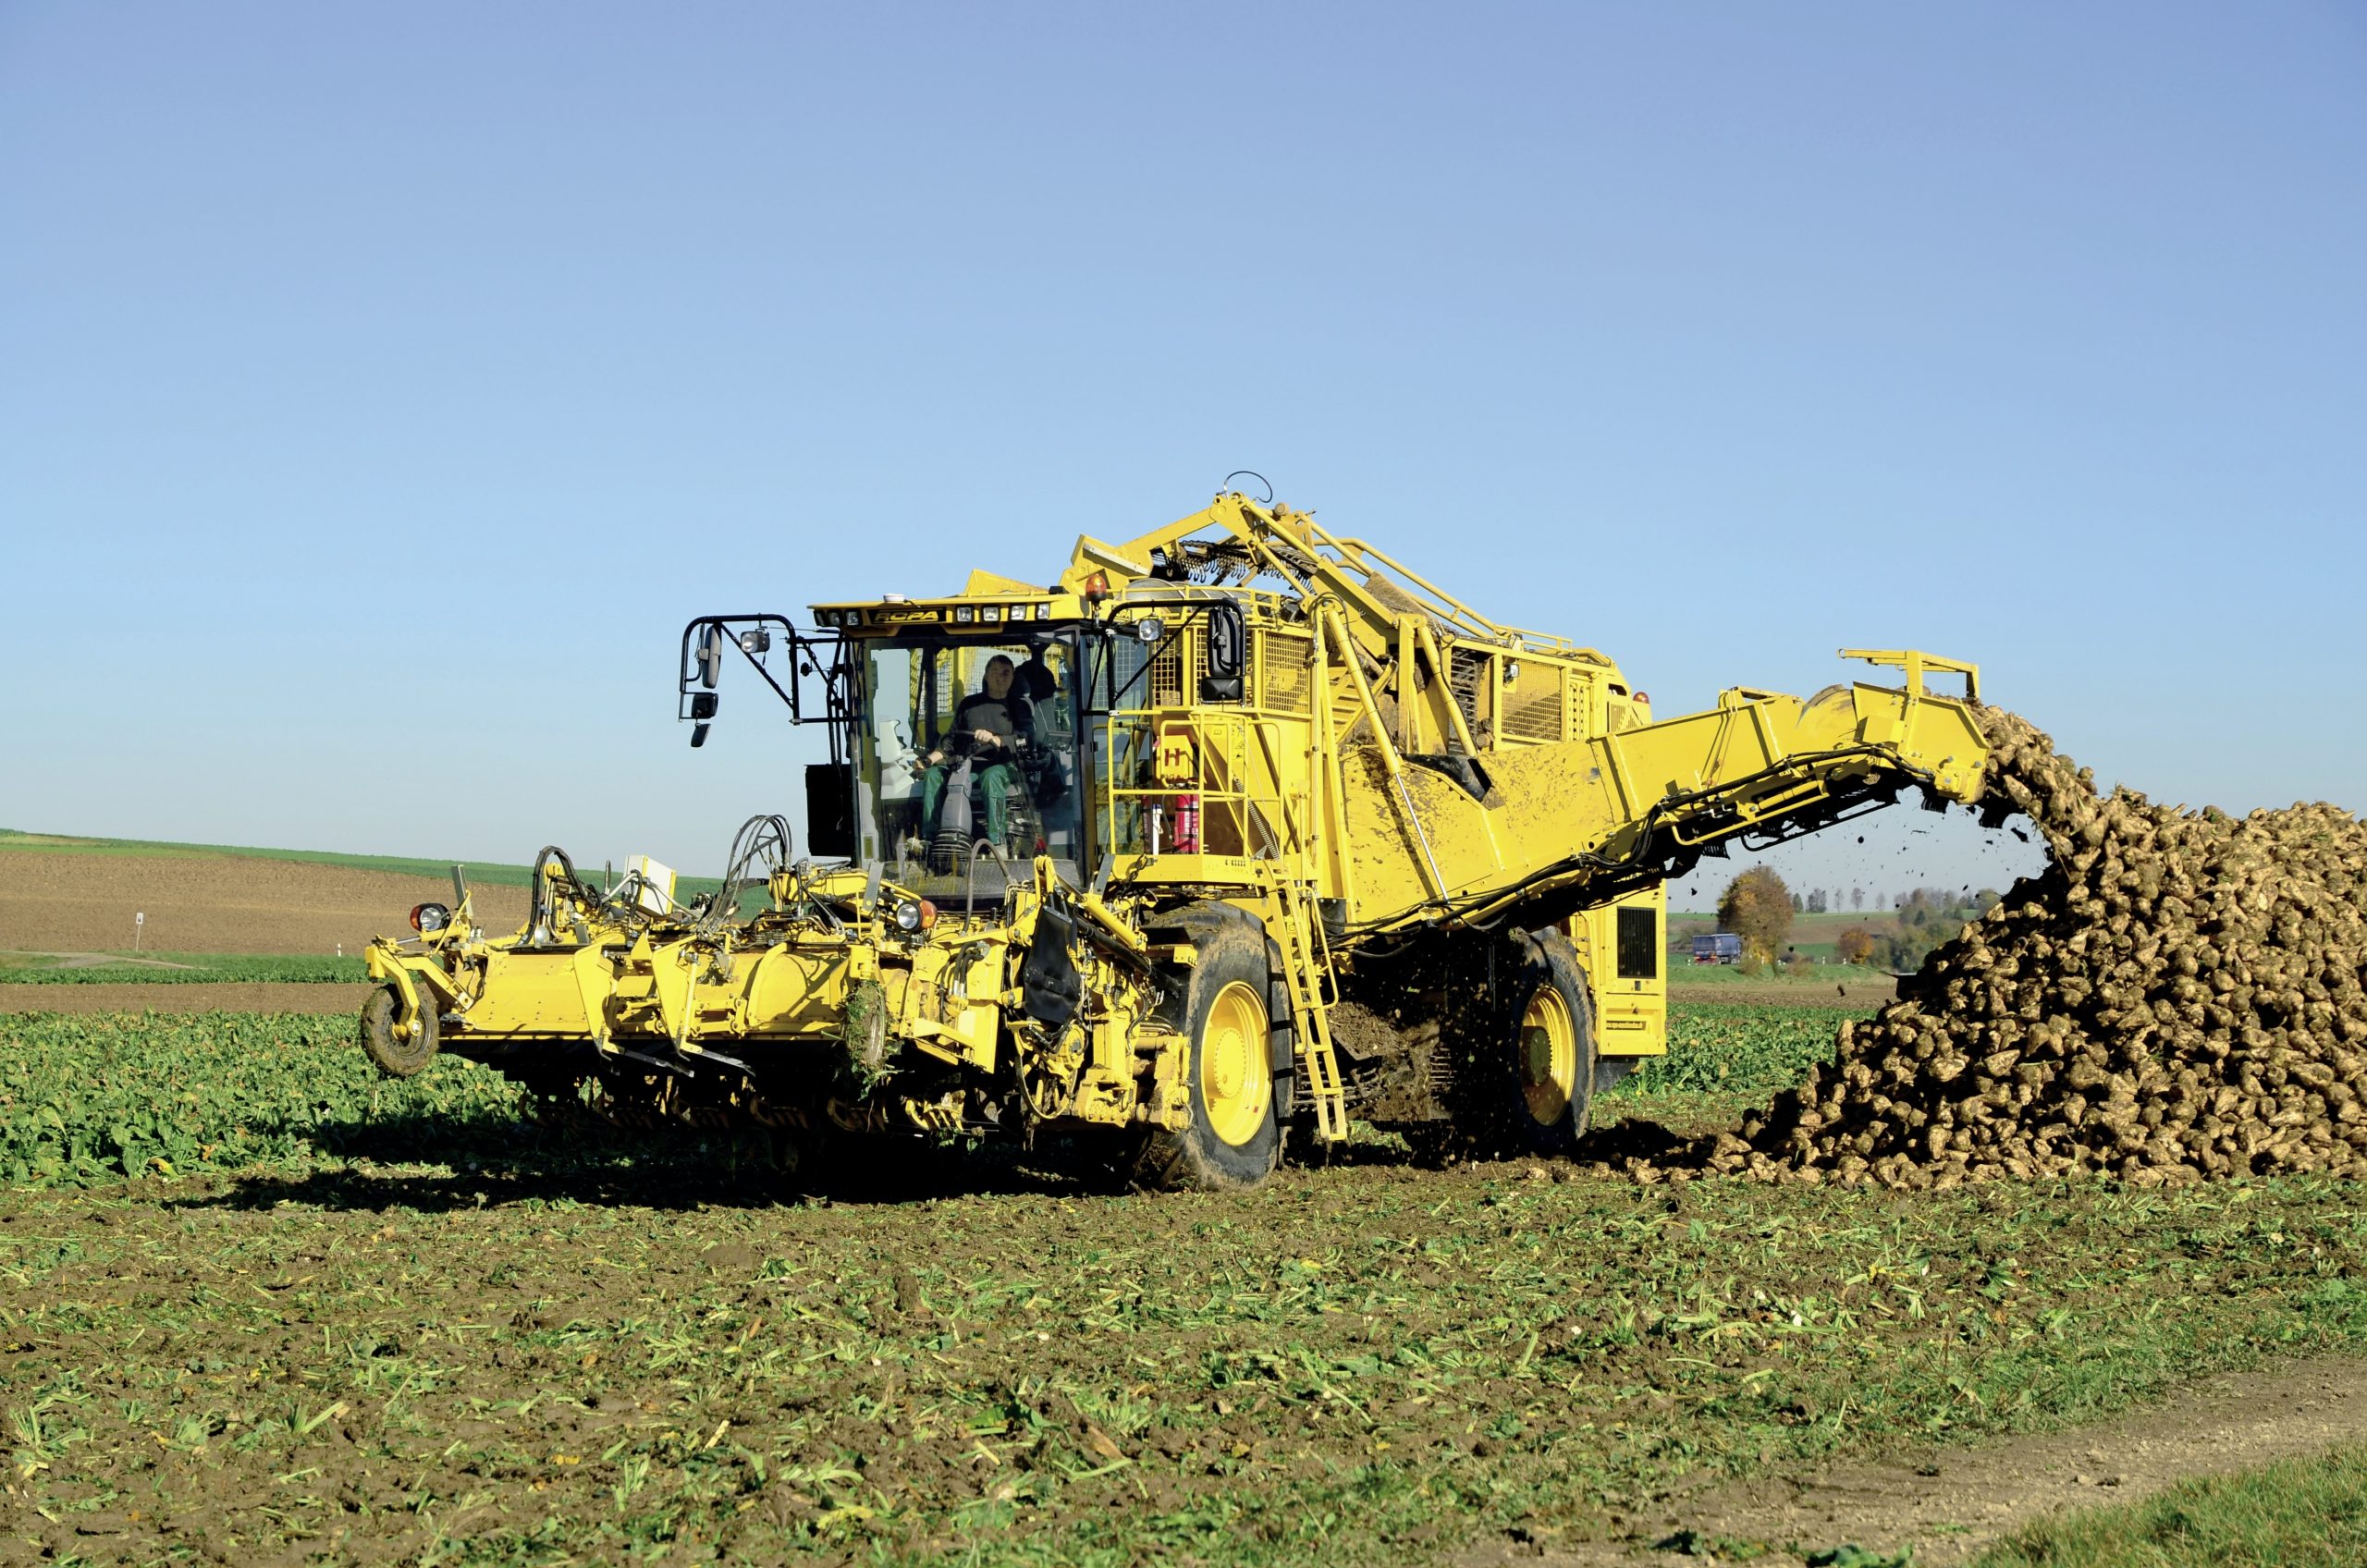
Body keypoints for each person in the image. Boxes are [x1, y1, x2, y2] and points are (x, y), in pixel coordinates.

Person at [915, 654, 1033, 857]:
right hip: (967, 765)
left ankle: (997, 843)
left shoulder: (1019, 707)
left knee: (992, 776)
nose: (1000, 677)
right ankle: (929, 841)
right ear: (986, 675)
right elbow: (950, 741)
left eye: (1005, 673)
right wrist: (928, 760)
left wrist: (995, 739)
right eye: (995, 672)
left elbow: (1026, 740)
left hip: (1005, 766)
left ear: (1013, 677)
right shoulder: (969, 704)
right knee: (933, 775)